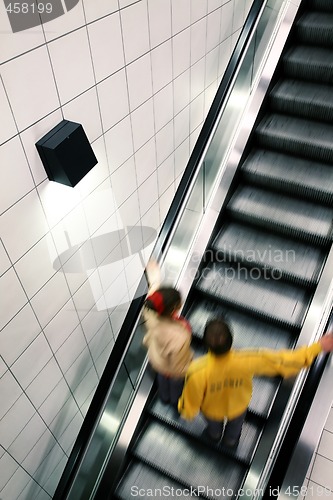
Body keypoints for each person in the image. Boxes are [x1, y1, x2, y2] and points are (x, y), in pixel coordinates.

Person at [178, 318, 333, 448]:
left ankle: (214, 435)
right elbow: (283, 360)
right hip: (239, 405)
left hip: (211, 410)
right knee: (235, 427)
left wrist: (187, 412)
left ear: (206, 344)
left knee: (213, 427)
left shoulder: (197, 370)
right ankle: (231, 441)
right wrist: (317, 347)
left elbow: (191, 400)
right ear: (231, 341)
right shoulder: (247, 359)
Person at [142, 261, 193, 406]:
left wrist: (154, 278)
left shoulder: (150, 316)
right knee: (175, 387)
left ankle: (164, 399)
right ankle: (175, 401)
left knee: (163, 383)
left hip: (157, 361)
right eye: (179, 304)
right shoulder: (180, 329)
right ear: (173, 310)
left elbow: (153, 297)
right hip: (173, 369)